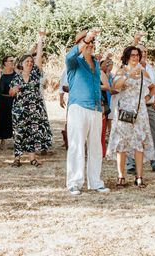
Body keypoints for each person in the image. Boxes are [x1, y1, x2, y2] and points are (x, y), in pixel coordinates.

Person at [65, 29, 110, 195]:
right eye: (86, 42)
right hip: (78, 108)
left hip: (96, 109)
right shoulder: (74, 62)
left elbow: (98, 86)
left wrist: (101, 106)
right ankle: (74, 183)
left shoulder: (96, 64)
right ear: (80, 44)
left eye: (92, 42)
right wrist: (86, 38)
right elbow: (69, 56)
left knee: (96, 147)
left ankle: (96, 182)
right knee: (77, 146)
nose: (90, 45)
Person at [107, 46, 155, 189]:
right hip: (124, 112)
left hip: (139, 113)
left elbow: (153, 87)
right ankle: (121, 176)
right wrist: (129, 74)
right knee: (122, 143)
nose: (135, 57)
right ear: (127, 57)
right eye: (132, 55)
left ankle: (139, 177)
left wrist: (146, 99)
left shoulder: (143, 73)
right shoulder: (122, 71)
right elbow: (116, 87)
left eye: (137, 55)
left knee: (139, 143)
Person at [126, 36, 155, 174]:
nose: (143, 54)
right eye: (140, 52)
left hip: (149, 107)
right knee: (132, 136)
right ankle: (131, 166)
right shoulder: (130, 68)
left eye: (145, 52)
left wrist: (153, 98)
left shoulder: (149, 68)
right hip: (134, 108)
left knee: (152, 136)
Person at [9, 31, 52, 167]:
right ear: (21, 63)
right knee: (19, 132)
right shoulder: (16, 77)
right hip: (19, 109)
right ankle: (17, 159)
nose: (30, 63)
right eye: (27, 61)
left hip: (34, 109)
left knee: (34, 132)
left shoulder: (35, 73)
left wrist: (40, 39)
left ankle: (33, 158)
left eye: (31, 62)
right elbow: (10, 93)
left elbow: (39, 55)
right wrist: (14, 91)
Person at [0, 55, 16, 149]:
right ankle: (3, 141)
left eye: (13, 60)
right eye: (10, 61)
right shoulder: (0, 73)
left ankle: (17, 140)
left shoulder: (16, 73)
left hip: (15, 99)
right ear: (5, 63)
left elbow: (24, 57)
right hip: (3, 99)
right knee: (3, 119)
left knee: (15, 119)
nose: (12, 62)